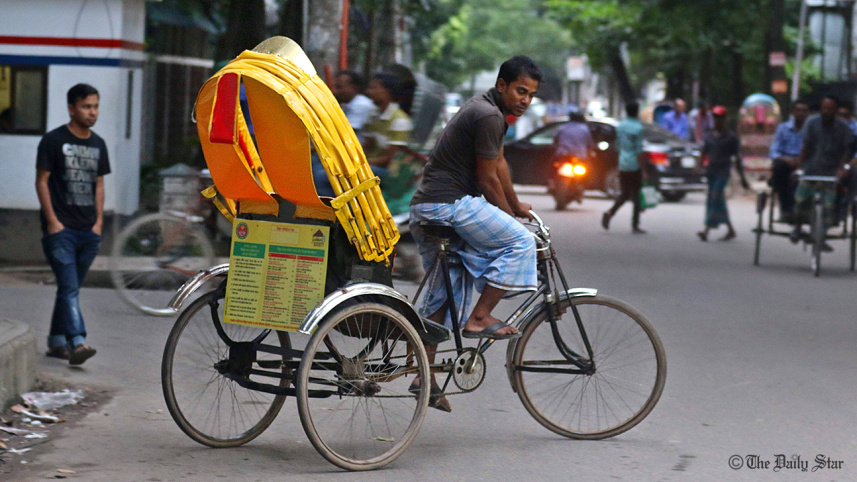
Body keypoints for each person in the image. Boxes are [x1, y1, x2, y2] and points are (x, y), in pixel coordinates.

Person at [409, 56, 540, 411]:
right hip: (446, 205)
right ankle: (480, 318)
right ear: (502, 86)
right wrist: (510, 220)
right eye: (520, 91)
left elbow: (498, 164)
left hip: (431, 206)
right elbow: (485, 180)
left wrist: (515, 207)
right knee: (521, 241)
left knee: (447, 290)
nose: (525, 100)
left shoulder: (491, 113)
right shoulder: (488, 115)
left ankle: (424, 375)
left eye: (531, 95)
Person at [35, 83, 110, 365]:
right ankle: (77, 341)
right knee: (69, 288)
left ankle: (56, 341)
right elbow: (41, 181)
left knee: (70, 289)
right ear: (71, 108)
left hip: (88, 230)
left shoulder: (98, 144)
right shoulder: (53, 141)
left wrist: (99, 222)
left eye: (95, 106)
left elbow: (99, 184)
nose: (92, 113)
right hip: (60, 231)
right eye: (86, 107)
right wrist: (53, 222)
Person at [790, 96, 854, 249]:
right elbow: (805, 147)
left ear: (836, 110)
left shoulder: (843, 127)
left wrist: (842, 169)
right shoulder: (812, 122)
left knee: (828, 205)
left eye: (830, 108)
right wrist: (800, 167)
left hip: (831, 172)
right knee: (800, 199)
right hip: (811, 169)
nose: (827, 111)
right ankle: (798, 226)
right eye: (824, 108)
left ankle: (821, 235)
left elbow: (846, 151)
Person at [313, 70, 376, 198]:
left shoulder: (361, 105)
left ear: (353, 88)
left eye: (339, 87)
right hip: (345, 153)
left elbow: (342, 134)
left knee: (318, 173)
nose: (335, 91)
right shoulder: (348, 104)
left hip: (353, 155)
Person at [697, 106, 749, 241]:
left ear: (724, 119)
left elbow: (737, 158)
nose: (717, 120)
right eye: (715, 117)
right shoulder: (709, 135)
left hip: (723, 171)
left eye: (720, 118)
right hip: (711, 171)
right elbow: (704, 152)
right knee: (715, 200)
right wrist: (699, 166)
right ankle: (731, 229)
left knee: (716, 196)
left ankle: (706, 230)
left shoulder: (731, 138)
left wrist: (743, 178)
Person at [602, 101, 646, 233]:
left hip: (623, 163)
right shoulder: (638, 128)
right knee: (636, 194)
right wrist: (643, 168)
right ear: (637, 111)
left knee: (625, 194)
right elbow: (639, 150)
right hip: (634, 164)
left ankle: (610, 213)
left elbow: (617, 146)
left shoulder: (620, 126)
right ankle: (635, 224)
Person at [768, 100, 809, 222]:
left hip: (804, 163)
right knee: (779, 169)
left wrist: (800, 161)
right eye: (798, 110)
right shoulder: (783, 128)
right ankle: (786, 209)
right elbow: (774, 150)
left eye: (804, 110)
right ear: (792, 111)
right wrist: (786, 159)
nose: (800, 113)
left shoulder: (810, 129)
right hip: (786, 162)